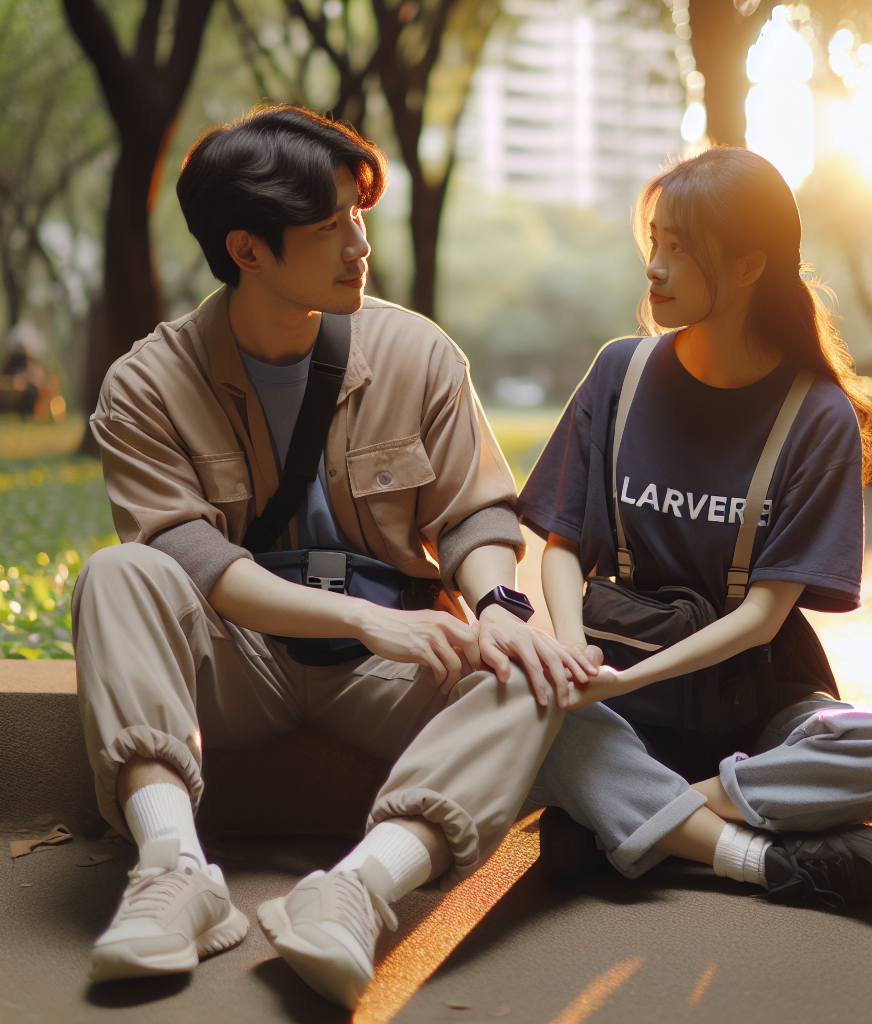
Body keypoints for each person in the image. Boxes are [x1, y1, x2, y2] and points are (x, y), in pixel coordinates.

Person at [74, 105, 595, 1008]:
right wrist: (365, 618)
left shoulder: (417, 352)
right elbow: (195, 562)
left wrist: (498, 609)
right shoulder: (146, 385)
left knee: (527, 668)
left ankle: (356, 891)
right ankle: (173, 871)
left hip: (389, 672)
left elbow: (474, 513)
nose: (360, 246)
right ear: (247, 249)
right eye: (329, 229)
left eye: (358, 216)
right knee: (117, 573)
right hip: (239, 661)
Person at [517, 147, 872, 906]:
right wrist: (574, 655)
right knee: (520, 702)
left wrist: (631, 676)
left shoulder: (818, 415)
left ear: (747, 266)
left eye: (680, 249)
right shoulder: (619, 373)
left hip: (753, 704)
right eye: (655, 242)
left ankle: (639, 819)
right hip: (617, 707)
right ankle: (753, 855)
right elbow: (562, 545)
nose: (655, 268)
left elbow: (763, 617)